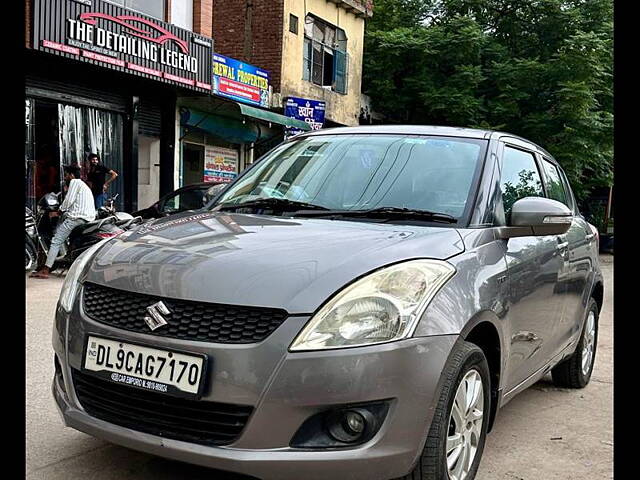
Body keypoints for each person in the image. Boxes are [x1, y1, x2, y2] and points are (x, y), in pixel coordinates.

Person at [30, 165, 96, 279]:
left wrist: (59, 211)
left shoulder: (75, 182)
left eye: (66, 175)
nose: (65, 177)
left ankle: (46, 270)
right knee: (63, 226)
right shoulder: (83, 185)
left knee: (56, 240)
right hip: (86, 218)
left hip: (76, 219)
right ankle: (61, 257)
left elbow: (68, 201)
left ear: (71, 175)